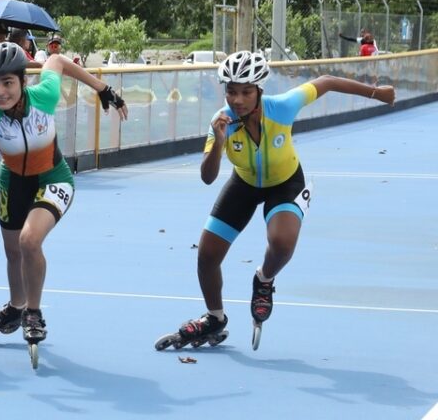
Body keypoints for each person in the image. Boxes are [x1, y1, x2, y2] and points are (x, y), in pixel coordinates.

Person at [155, 51, 396, 351]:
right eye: (231, 91)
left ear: (259, 90)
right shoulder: (221, 122)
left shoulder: (282, 107)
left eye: (245, 92)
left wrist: (378, 93)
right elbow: (207, 176)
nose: (237, 100)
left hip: (285, 182)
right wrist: (218, 144)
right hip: (244, 184)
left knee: (281, 242)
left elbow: (328, 81)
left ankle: (264, 279)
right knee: (207, 255)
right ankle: (215, 319)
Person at [0, 42, 127, 360]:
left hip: (53, 177)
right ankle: (15, 306)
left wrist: (102, 87)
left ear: (23, 81)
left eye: (8, 82)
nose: (0, 92)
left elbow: (56, 59)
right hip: (13, 182)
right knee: (13, 253)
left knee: (28, 241)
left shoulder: (45, 94)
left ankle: (33, 313)